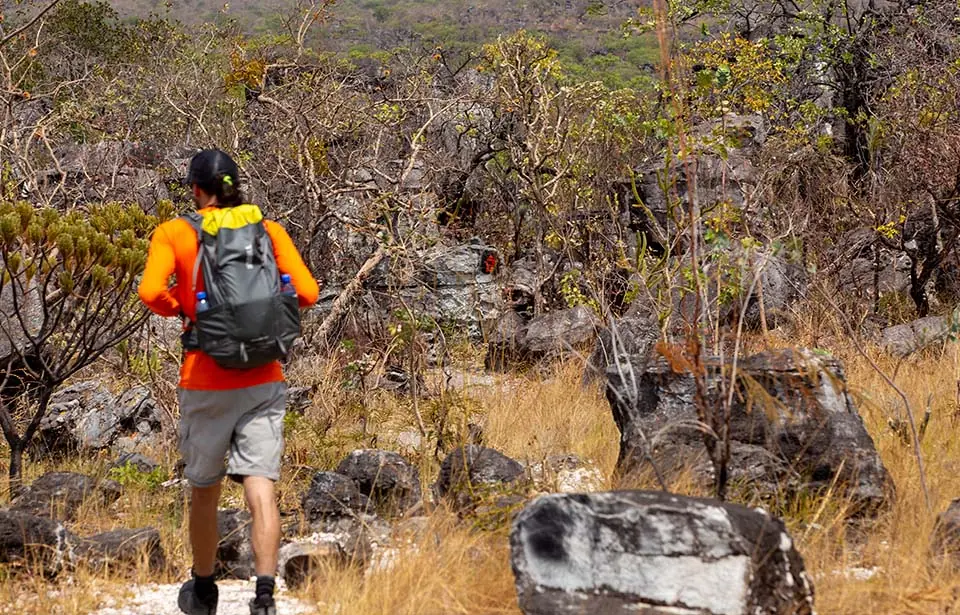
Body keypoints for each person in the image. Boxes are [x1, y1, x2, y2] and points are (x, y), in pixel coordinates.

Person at [139, 149, 319, 615]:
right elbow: (308, 292)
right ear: (235, 186)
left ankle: (204, 591)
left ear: (196, 190)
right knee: (261, 487)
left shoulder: (175, 232)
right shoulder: (268, 230)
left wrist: (187, 310)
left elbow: (150, 291)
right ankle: (264, 595)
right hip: (264, 378)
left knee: (204, 489)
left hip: (204, 381)